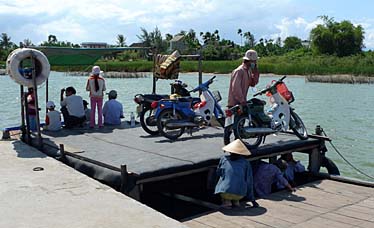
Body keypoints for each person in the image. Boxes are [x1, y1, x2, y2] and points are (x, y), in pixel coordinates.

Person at [225, 49, 260, 145]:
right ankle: (229, 143)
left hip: (240, 101)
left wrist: (255, 72)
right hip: (234, 102)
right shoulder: (239, 71)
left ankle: (237, 143)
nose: (256, 62)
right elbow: (235, 88)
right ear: (250, 61)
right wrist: (242, 100)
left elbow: (253, 83)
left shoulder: (248, 71)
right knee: (231, 124)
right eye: (255, 61)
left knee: (238, 124)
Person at [214, 139, 259, 209]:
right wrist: (252, 200)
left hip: (225, 192)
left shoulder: (224, 159)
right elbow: (249, 181)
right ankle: (236, 201)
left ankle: (226, 201)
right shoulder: (245, 163)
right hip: (240, 194)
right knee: (239, 182)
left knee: (223, 179)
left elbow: (218, 173)